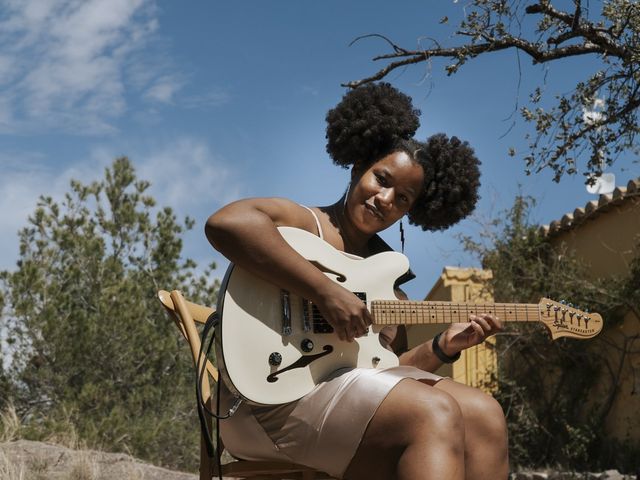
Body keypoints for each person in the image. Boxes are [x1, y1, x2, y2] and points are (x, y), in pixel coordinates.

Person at [205, 83, 508, 480]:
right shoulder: (305, 223)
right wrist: (325, 291)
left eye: (402, 199)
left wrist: (442, 347)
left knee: (484, 412)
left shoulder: (388, 276)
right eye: (381, 179)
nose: (385, 199)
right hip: (266, 406)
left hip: (341, 404)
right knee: (433, 410)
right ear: (356, 167)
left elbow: (382, 370)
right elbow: (226, 224)